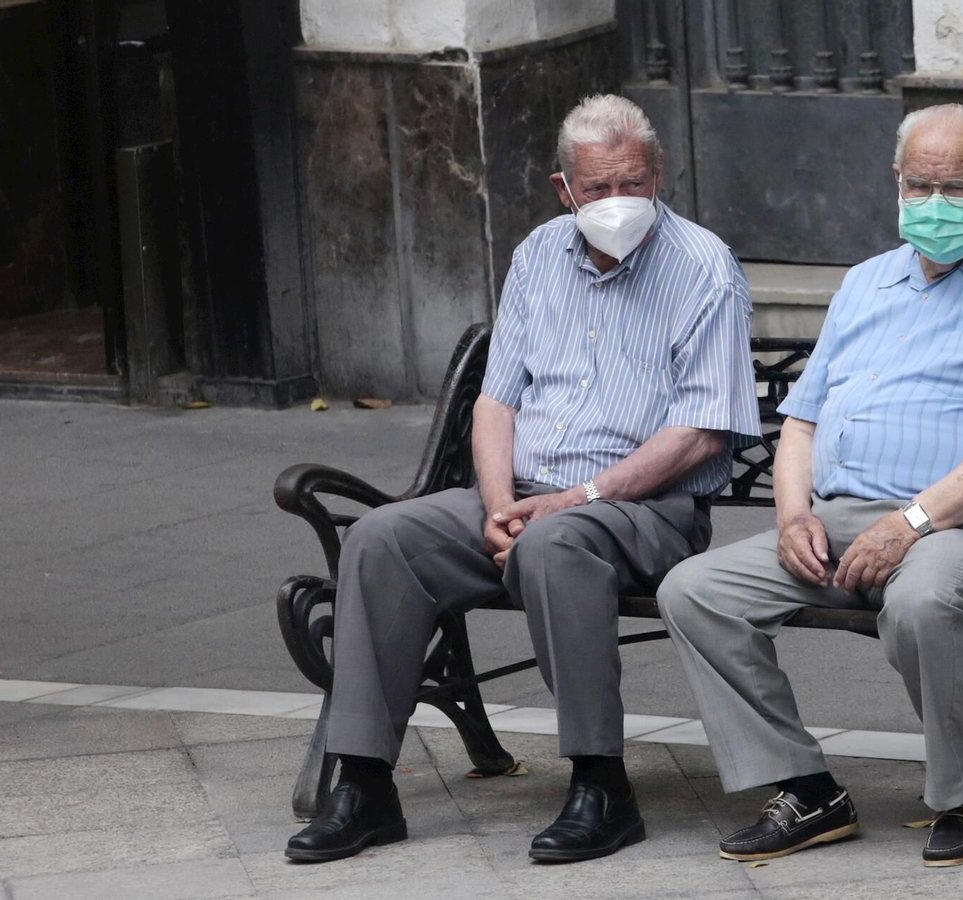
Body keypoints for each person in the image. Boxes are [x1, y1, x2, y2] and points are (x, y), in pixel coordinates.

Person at [286, 94, 760, 864]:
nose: (619, 201)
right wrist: (501, 504)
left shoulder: (704, 266)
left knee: (554, 545)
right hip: (527, 496)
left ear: (659, 174)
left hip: (643, 506)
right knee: (381, 539)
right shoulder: (539, 254)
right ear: (563, 189)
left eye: (634, 182)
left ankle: (601, 784)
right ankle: (364, 784)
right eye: (598, 188)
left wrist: (572, 501)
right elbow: (496, 400)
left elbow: (701, 433)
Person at [657, 103, 963, 868]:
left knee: (923, 597)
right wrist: (793, 516)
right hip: (844, 523)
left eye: (955, 187)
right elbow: (801, 423)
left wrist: (910, 524)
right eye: (919, 185)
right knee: (695, 591)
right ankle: (805, 789)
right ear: (896, 182)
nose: (934, 203)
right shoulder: (865, 284)